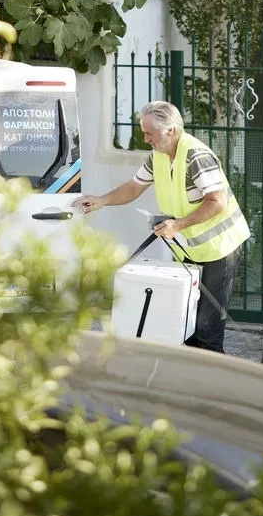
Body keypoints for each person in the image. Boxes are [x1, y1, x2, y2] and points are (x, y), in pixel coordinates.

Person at [71, 101, 250, 353]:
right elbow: (134, 187)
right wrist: (102, 200)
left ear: (170, 130)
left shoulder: (197, 156)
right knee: (185, 327)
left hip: (221, 250)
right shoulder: (158, 156)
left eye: (149, 133)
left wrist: (178, 224)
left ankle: (211, 387)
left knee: (207, 331)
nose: (145, 139)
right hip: (190, 250)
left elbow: (217, 203)